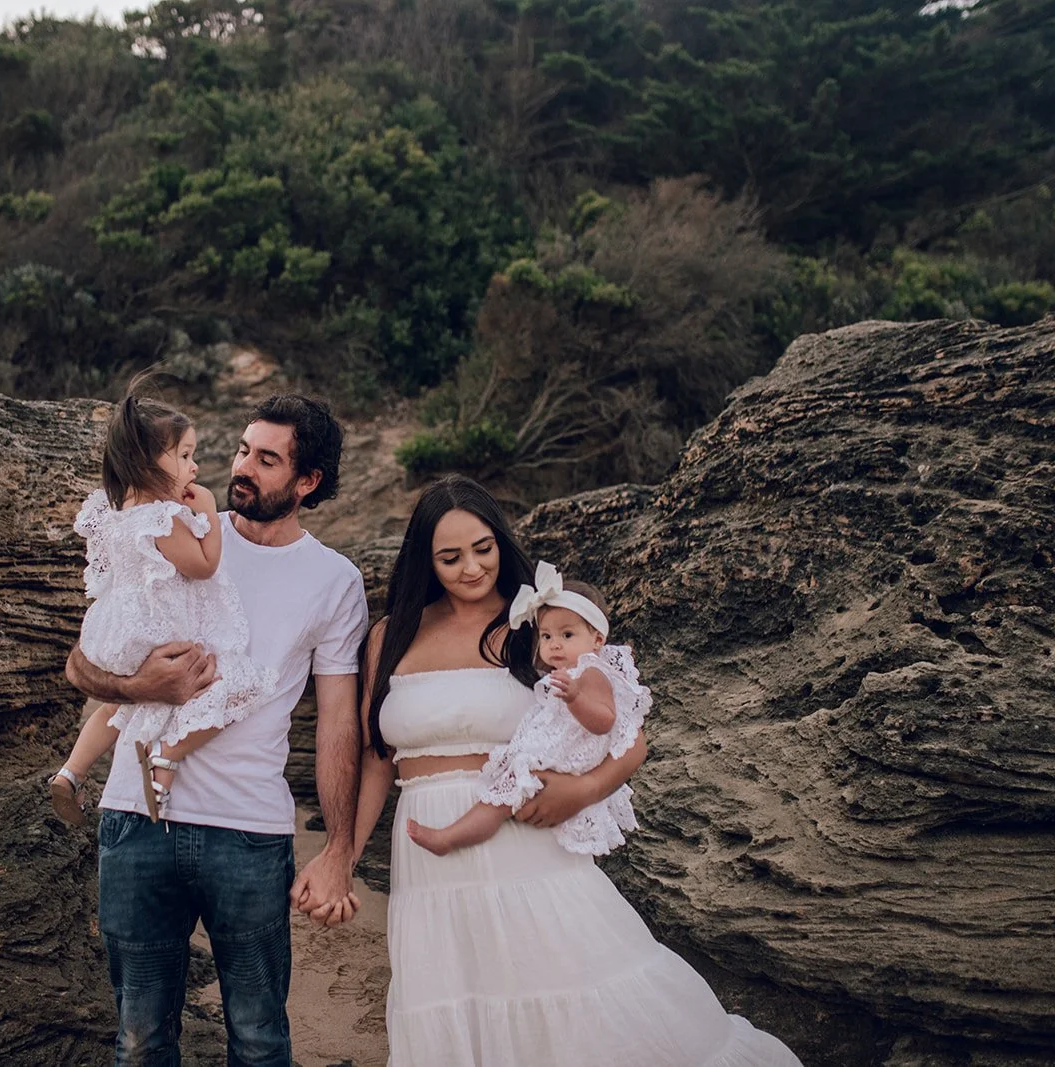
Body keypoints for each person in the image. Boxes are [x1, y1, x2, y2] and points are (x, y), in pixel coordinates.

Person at [352, 474, 803, 1066]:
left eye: (483, 548)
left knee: (569, 982)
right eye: (450, 556)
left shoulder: (539, 628)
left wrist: (584, 789)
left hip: (527, 839)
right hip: (428, 855)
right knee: (455, 995)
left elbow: (627, 734)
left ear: (501, 542)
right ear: (425, 561)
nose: (470, 568)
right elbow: (376, 758)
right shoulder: (392, 635)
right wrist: (344, 855)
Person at [66, 394, 368, 1067]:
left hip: (250, 834)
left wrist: (339, 848)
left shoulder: (335, 580)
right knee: (140, 1041)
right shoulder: (168, 526)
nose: (242, 467)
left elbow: (339, 723)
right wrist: (139, 687)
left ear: (307, 481)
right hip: (135, 815)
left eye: (266, 459)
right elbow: (83, 660)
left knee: (259, 1040)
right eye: (240, 450)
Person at [49, 381, 277, 825]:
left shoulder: (116, 515)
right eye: (186, 456)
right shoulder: (162, 519)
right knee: (232, 683)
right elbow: (204, 565)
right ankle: (164, 764)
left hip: (119, 630)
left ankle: (70, 772)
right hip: (160, 629)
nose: (195, 467)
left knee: (118, 706)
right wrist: (208, 511)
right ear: (149, 463)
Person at [406, 563, 646, 857]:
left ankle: (450, 838)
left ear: (597, 639)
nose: (555, 645)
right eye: (546, 637)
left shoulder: (591, 672)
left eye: (567, 635)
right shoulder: (564, 672)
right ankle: (452, 836)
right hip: (549, 754)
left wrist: (575, 698)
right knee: (498, 800)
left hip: (562, 758)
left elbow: (605, 721)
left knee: (496, 804)